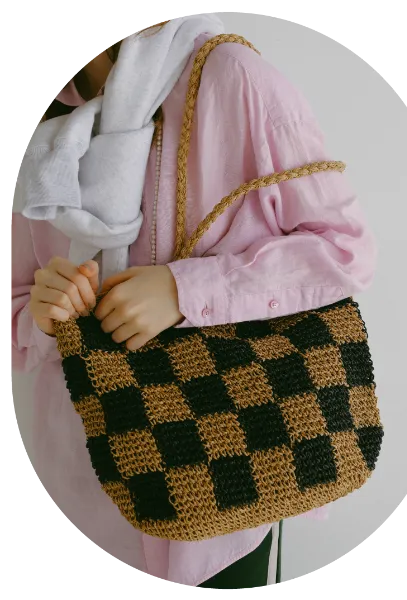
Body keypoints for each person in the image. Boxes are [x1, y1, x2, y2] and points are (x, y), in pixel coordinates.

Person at [9, 18, 376, 590]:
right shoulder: (46, 122)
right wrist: (44, 314)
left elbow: (344, 251)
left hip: (236, 471)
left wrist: (185, 292)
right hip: (80, 473)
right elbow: (17, 304)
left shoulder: (231, 77)